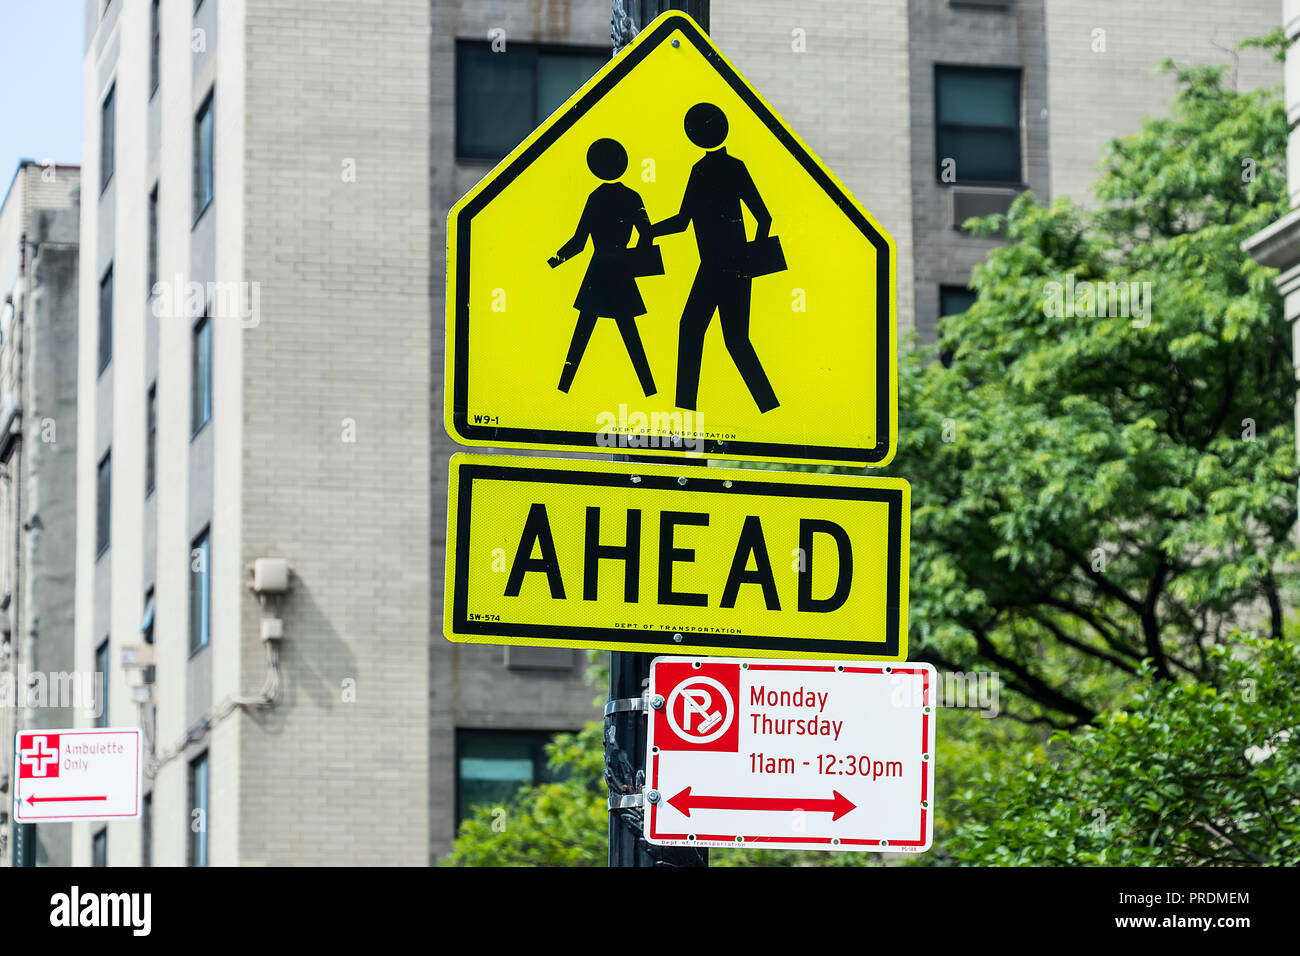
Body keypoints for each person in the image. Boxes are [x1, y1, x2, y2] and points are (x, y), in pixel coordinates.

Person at [650, 102, 781, 413]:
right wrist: (748, 256)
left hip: (722, 268)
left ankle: (690, 410)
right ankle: (763, 406)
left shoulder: (710, 169)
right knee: (721, 337)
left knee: (712, 335)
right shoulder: (724, 167)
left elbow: (763, 216)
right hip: (723, 267)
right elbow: (762, 219)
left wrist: (650, 231)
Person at [549, 138, 659, 397]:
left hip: (600, 270)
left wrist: (556, 259)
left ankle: (564, 388)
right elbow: (647, 234)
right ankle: (649, 389)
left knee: (583, 333)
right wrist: (636, 260)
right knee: (627, 334)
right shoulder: (632, 196)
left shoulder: (596, 197)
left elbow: (579, 242)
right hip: (620, 270)